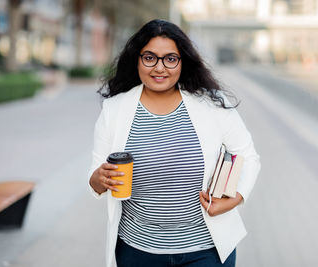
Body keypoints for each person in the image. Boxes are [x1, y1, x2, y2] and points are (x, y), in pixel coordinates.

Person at [88, 19, 260, 267]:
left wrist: (237, 198)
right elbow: (94, 174)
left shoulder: (210, 104)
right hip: (137, 251)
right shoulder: (114, 109)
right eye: (150, 58)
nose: (160, 68)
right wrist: (98, 179)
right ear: (137, 59)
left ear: (182, 62)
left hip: (206, 251)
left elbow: (248, 156)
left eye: (170, 59)